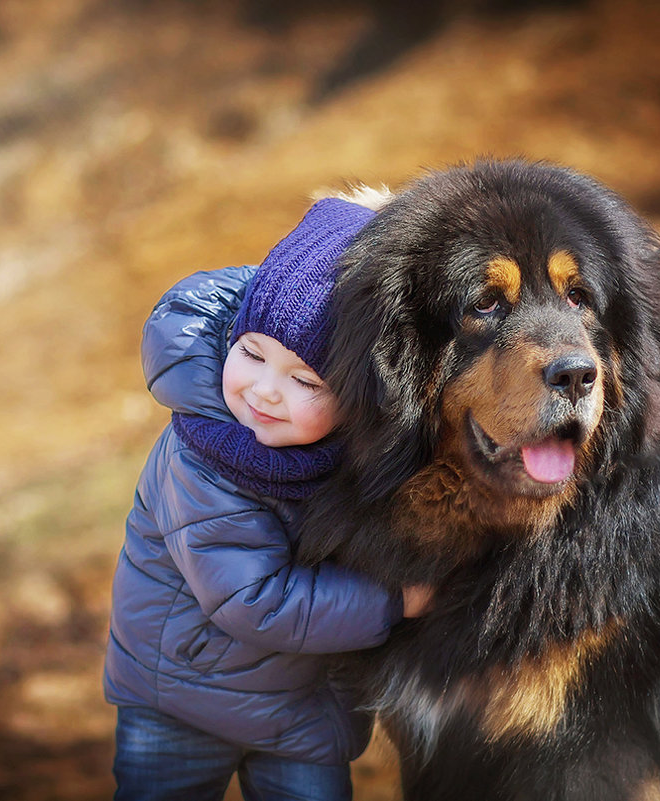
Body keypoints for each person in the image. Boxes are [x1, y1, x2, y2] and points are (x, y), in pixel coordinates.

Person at [103, 197, 432, 801]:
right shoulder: (201, 459)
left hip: (302, 715)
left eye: (305, 380)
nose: (264, 391)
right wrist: (395, 601)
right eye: (252, 352)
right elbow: (252, 600)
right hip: (180, 699)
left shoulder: (353, 459)